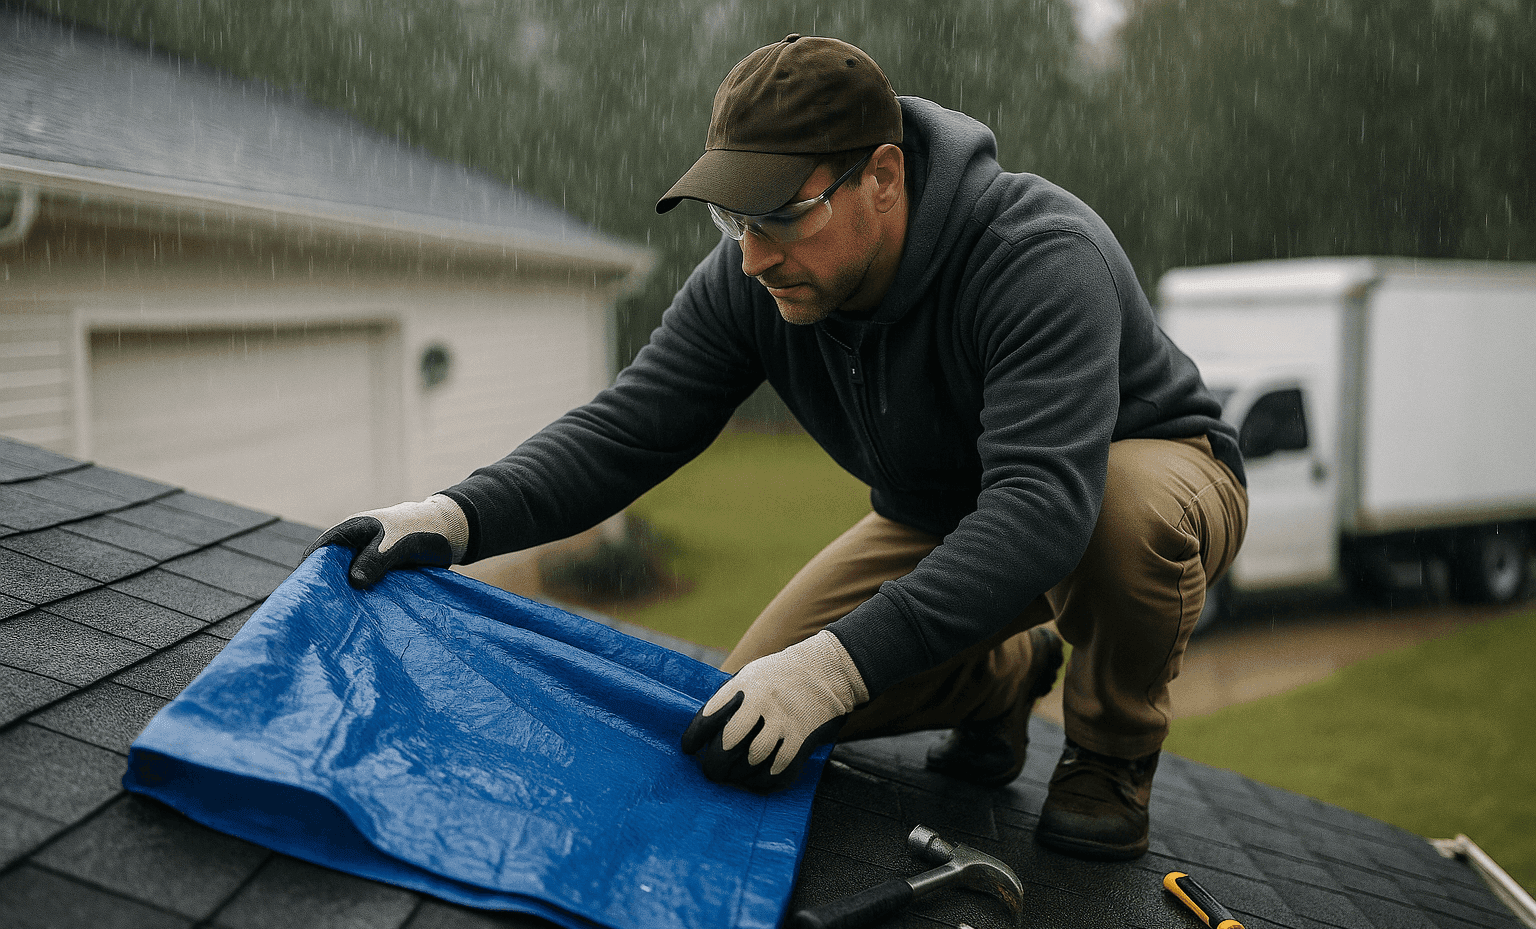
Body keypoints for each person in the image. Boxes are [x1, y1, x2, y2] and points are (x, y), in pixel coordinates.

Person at [306, 35, 1248, 862]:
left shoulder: (1038, 257)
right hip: (940, 517)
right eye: (733, 219)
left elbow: (1045, 511)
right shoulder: (754, 281)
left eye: (781, 216)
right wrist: (456, 515)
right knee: (743, 722)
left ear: (882, 177)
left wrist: (836, 666)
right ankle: (1000, 677)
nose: (753, 257)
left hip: (1140, 472)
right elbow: (631, 426)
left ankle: (1111, 757)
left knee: (1120, 514)